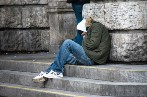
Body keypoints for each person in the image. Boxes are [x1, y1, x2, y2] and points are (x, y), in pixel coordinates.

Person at [32, 17, 111, 82]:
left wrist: (85, 36)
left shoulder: (96, 26)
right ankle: (48, 72)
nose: (81, 34)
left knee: (68, 42)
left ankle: (56, 71)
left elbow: (92, 45)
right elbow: (89, 46)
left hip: (93, 59)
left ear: (85, 27)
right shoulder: (91, 30)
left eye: (81, 32)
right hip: (90, 56)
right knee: (63, 55)